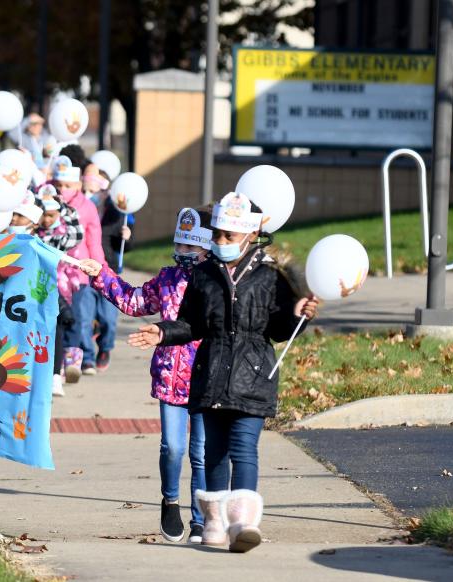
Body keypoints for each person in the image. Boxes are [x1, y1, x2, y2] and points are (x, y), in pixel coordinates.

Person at [126, 192, 319, 553]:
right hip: (210, 373)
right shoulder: (203, 275)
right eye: (217, 235)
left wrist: (299, 316)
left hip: (253, 377)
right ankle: (214, 523)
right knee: (213, 453)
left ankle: (243, 524)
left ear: (248, 235)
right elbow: (192, 324)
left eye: (227, 236)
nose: (219, 242)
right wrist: (163, 332)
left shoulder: (270, 278)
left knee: (243, 449)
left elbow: (279, 330)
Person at [81, 207, 213, 544]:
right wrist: (102, 275)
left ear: (208, 248)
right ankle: (170, 501)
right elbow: (133, 300)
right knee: (172, 446)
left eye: (191, 247)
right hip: (171, 376)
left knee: (200, 451)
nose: (182, 253)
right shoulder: (167, 278)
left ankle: (200, 518)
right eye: (179, 245)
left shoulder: (217, 281)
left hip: (207, 375)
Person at [51, 155, 105, 381]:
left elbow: (94, 239)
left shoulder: (87, 207)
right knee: (56, 318)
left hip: (79, 272)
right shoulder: (48, 203)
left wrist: (99, 268)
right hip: (54, 272)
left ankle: (72, 361)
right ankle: (56, 364)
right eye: (58, 185)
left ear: (79, 185)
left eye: (68, 185)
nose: (63, 190)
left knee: (77, 318)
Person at [81, 163, 131, 372]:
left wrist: (127, 238)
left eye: (96, 190)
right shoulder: (80, 210)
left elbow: (124, 247)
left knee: (109, 319)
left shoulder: (115, 214)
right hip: (84, 271)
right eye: (88, 189)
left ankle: (105, 347)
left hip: (109, 271)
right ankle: (87, 357)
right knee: (83, 317)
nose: (91, 194)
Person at [34, 185, 84, 396]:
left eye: (51, 215)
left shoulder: (58, 236)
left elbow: (77, 236)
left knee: (57, 332)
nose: (46, 220)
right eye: (43, 215)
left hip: (57, 292)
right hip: (34, 292)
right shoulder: (33, 234)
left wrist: (66, 210)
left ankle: (56, 376)